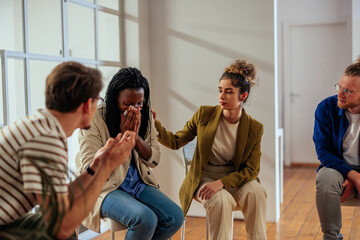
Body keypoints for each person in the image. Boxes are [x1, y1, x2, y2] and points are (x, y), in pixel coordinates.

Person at [0, 61, 136, 240]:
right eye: (98, 100)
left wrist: (95, 167)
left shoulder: (42, 125)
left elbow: (60, 199)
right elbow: (60, 228)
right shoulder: (46, 140)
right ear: (87, 105)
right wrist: (107, 168)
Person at [154, 60, 267, 240]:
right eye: (220, 90)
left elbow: (252, 170)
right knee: (220, 201)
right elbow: (175, 141)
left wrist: (222, 182)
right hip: (205, 177)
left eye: (229, 92)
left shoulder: (254, 127)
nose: (222, 96)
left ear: (243, 96)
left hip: (234, 178)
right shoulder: (204, 115)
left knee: (257, 192)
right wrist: (154, 124)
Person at [77, 67, 184, 240]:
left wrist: (135, 138)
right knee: (145, 219)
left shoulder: (146, 115)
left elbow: (154, 159)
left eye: (139, 103)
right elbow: (91, 168)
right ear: (114, 100)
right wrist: (121, 139)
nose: (134, 109)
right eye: (127, 104)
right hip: (105, 188)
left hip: (138, 184)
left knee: (175, 216)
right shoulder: (95, 119)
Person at [313, 57, 360, 240]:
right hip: (336, 166)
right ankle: (332, 238)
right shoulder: (326, 108)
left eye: (348, 91)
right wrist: (352, 175)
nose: (341, 93)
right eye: (339, 87)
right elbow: (323, 152)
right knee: (325, 182)